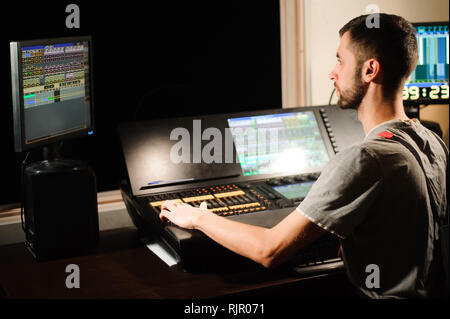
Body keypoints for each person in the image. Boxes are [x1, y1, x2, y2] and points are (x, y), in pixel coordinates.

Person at [160, 14, 448, 298]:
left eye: (340, 60)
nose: (332, 73)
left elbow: (268, 250)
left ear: (370, 70)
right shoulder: (433, 142)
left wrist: (199, 217)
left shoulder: (366, 158)